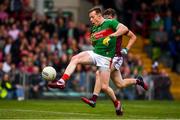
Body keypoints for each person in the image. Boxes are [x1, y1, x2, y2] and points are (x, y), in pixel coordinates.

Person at [48, 7, 128, 115]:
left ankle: (117, 104)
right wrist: (94, 40)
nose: (90, 20)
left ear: (99, 16)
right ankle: (62, 81)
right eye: (90, 17)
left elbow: (124, 29)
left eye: (92, 17)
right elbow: (94, 43)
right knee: (75, 58)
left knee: (104, 87)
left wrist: (111, 35)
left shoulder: (110, 22)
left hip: (106, 58)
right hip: (95, 54)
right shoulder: (94, 28)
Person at [81, 8, 148, 108]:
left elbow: (133, 36)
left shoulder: (117, 27)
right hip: (107, 57)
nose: (107, 20)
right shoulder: (103, 27)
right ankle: (138, 81)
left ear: (113, 17)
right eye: (106, 18)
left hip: (116, 57)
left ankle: (94, 99)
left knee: (99, 72)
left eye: (109, 18)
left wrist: (127, 48)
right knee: (120, 84)